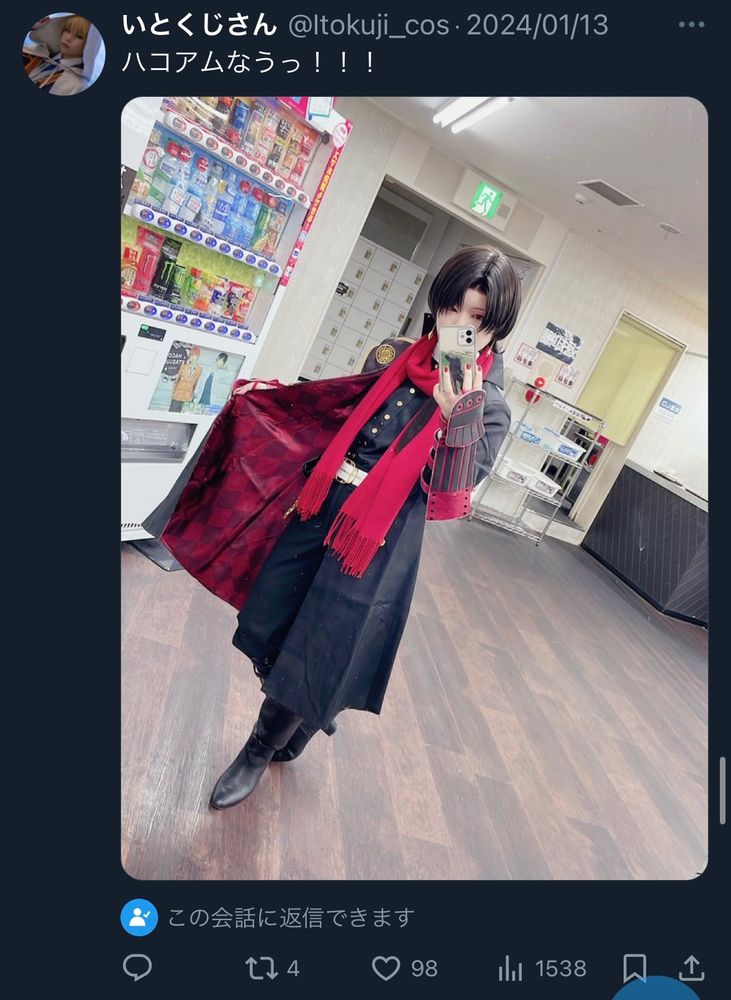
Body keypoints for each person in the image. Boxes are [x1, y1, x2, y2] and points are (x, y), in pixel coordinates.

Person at [155, 246, 521, 810]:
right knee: (270, 616)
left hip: (377, 539)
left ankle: (259, 748)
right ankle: (306, 714)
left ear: (496, 325)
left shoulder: (488, 406)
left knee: (317, 645)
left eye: (476, 318)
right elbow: (337, 410)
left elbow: (447, 500)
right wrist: (272, 400)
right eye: (453, 308)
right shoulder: (395, 355)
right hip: (321, 504)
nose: (458, 326)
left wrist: (458, 420)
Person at [22, 14, 105, 96]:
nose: (68, 38)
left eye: (79, 36)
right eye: (67, 30)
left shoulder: (78, 87)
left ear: (89, 46)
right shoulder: (39, 52)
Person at [169, 347, 202, 412]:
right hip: (177, 395)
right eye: (192, 355)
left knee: (182, 415)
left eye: (195, 355)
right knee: (172, 412)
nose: (193, 357)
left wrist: (192, 396)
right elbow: (176, 381)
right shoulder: (183, 367)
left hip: (188, 398)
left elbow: (196, 384)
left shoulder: (199, 370)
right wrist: (173, 393)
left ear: (198, 357)